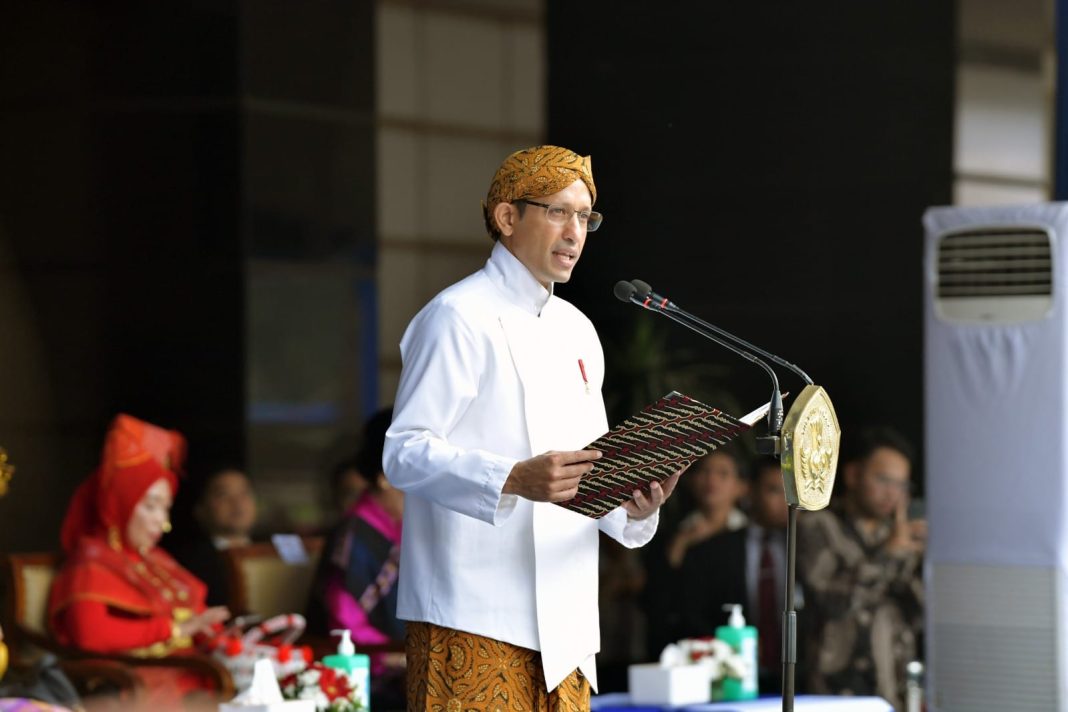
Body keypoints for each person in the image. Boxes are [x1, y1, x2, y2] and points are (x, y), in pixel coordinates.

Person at [383, 145, 681, 711]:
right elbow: (404, 452)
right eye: (559, 212)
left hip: (566, 626)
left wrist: (634, 505)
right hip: (473, 614)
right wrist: (513, 478)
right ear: (507, 218)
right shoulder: (457, 316)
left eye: (585, 217)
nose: (576, 232)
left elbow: (593, 464)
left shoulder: (577, 329)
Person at [48, 414, 230, 702]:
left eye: (166, 508)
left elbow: (197, 617)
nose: (163, 523)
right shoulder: (90, 561)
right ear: (120, 502)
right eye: (151, 506)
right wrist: (174, 629)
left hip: (186, 673)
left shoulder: (157, 560)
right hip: (134, 685)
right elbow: (89, 633)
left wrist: (219, 636)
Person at [797, 426, 925, 710]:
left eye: (902, 485)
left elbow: (919, 611)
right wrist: (888, 555)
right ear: (853, 474)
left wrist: (928, 559)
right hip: (836, 689)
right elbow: (832, 601)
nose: (893, 493)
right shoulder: (819, 524)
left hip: (894, 686)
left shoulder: (901, 532)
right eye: (883, 480)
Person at [307, 407, 404, 708]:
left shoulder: (403, 528)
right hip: (364, 674)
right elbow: (344, 626)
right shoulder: (354, 534)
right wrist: (399, 656)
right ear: (384, 476)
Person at [677, 456, 795, 693]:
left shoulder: (807, 550)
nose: (785, 501)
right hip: (731, 679)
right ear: (749, 492)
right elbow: (691, 615)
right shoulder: (712, 550)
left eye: (791, 492)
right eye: (774, 490)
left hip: (798, 678)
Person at [164, 464, 257, 607]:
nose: (237, 502)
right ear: (200, 510)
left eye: (244, 493)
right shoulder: (186, 564)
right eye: (223, 494)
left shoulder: (274, 551)